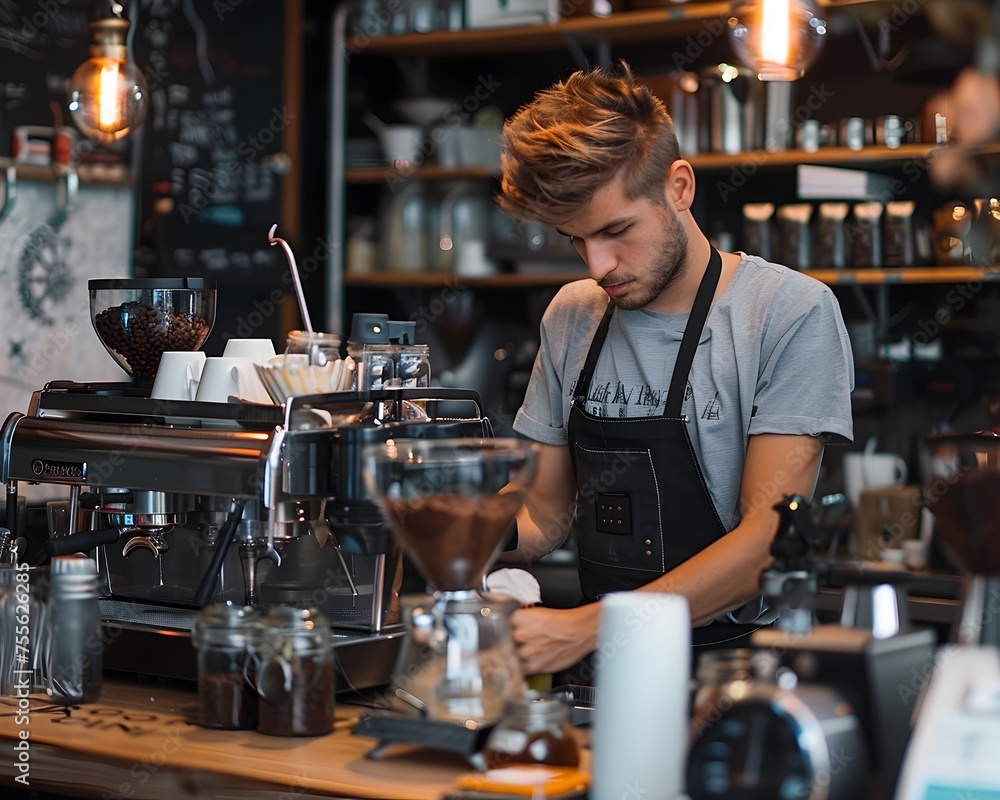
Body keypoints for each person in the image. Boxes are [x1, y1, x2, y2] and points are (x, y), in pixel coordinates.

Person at [495, 63, 854, 681]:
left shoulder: (787, 313)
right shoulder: (572, 315)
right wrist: (450, 536)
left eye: (615, 230)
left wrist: (586, 627)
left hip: (730, 677)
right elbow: (546, 513)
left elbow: (765, 539)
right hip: (598, 679)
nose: (598, 264)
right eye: (575, 239)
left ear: (679, 186)